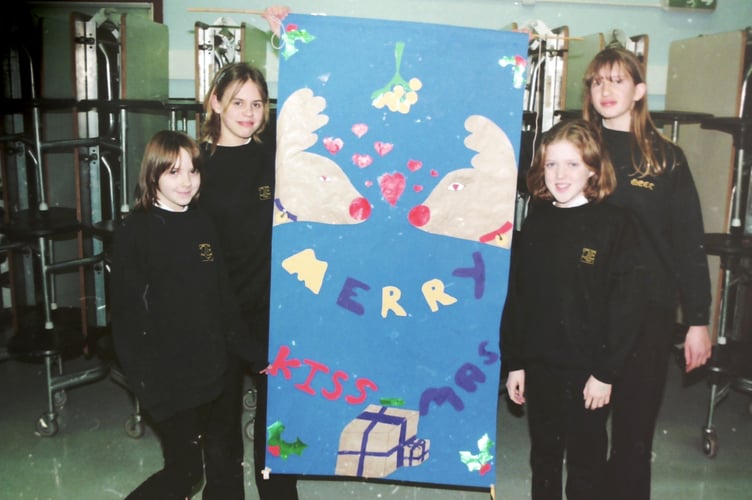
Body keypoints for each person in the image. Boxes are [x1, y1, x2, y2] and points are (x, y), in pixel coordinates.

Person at [582, 47, 713, 500]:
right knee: (584, 434)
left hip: (648, 315)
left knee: (634, 435)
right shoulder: (576, 151)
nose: (606, 90)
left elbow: (688, 245)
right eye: (598, 81)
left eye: (617, 80)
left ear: (639, 91)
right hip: (587, 309)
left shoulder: (666, 159)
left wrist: (698, 319)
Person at [502, 119, 644, 500]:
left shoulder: (615, 224)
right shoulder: (538, 216)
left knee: (586, 463)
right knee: (543, 458)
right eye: (551, 165)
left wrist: (605, 372)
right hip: (542, 365)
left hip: (589, 372)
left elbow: (626, 308)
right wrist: (516, 361)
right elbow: (520, 295)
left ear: (593, 169)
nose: (560, 175)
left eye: (572, 165)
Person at [110, 130, 255, 499]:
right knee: (185, 474)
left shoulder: (203, 223)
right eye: (174, 172)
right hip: (172, 381)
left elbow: (224, 301)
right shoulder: (135, 233)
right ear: (153, 175)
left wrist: (256, 356)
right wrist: (150, 388)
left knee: (224, 466)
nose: (187, 182)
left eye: (193, 171)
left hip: (217, 373)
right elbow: (126, 323)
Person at [197, 51, 298, 500]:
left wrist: (287, 39)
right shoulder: (194, 166)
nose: (249, 113)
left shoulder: (274, 156)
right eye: (238, 102)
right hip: (214, 315)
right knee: (219, 430)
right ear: (215, 103)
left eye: (257, 104)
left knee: (277, 424)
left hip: (266, 312)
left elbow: (313, 99)